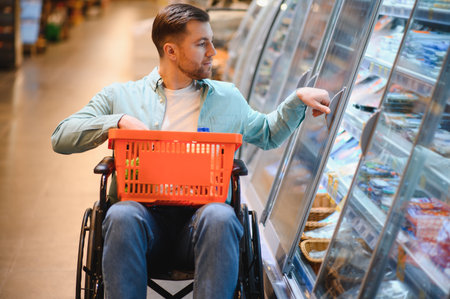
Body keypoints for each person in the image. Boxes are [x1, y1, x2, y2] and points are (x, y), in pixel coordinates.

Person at [51, 3, 331, 299]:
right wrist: (116, 121)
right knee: (121, 215)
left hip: (202, 225)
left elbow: (267, 133)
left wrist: (297, 100)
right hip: (143, 225)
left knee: (221, 216)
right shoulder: (121, 96)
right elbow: (62, 136)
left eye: (211, 41)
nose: (212, 51)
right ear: (170, 51)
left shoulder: (227, 98)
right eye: (201, 44)